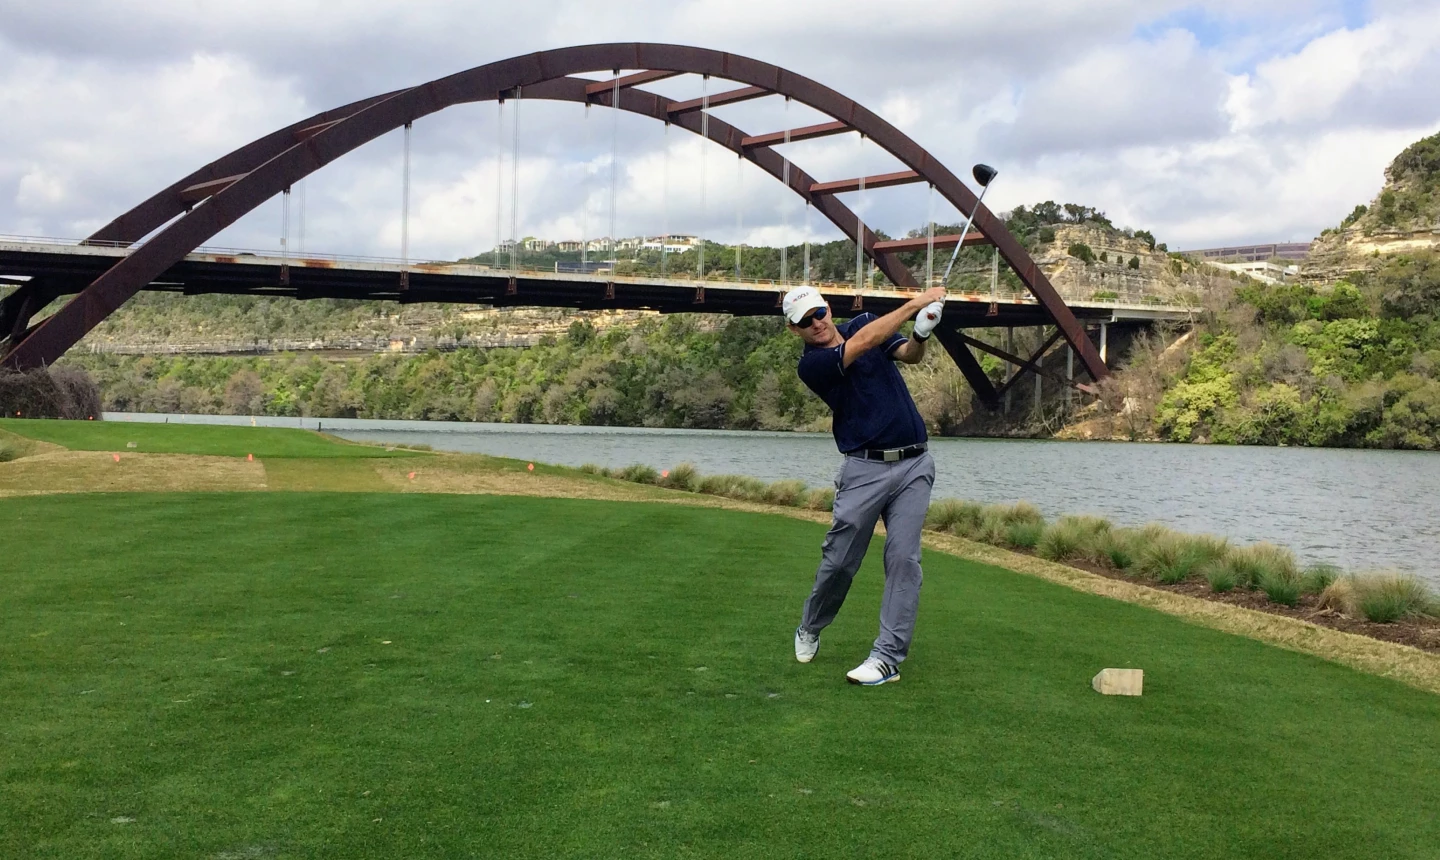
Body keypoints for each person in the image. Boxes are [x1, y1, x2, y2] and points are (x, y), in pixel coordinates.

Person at [783, 284, 947, 686]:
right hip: (863, 470)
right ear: (794, 330)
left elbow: (908, 354)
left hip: (914, 463)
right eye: (804, 321)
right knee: (840, 561)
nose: (816, 324)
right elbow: (863, 344)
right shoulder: (813, 365)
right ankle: (810, 625)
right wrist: (915, 303)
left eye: (818, 313)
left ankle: (887, 657)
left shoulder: (864, 321)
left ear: (827, 308)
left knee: (904, 560)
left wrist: (922, 332)